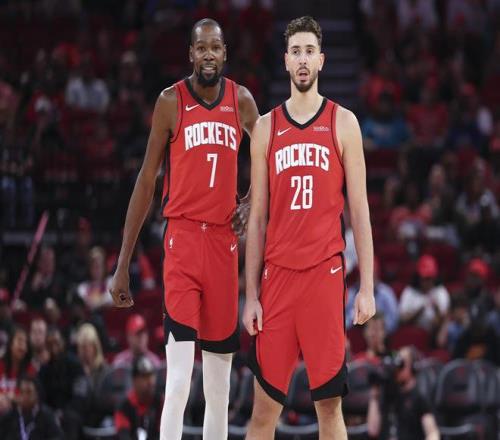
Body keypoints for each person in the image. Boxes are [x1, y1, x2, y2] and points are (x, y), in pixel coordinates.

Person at [109, 18, 259, 440]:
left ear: (225, 53)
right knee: (177, 382)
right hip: (183, 242)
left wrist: (250, 200)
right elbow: (146, 180)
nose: (209, 55)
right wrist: (122, 263)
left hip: (224, 247)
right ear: (191, 53)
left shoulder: (241, 100)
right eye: (201, 48)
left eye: (216, 47)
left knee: (218, 389)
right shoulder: (170, 101)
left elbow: (269, 151)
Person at [243, 16, 375, 440]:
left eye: (309, 52)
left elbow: (360, 210)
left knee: (329, 407)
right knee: (263, 410)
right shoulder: (265, 128)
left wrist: (367, 287)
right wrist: (250, 295)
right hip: (277, 279)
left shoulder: (344, 122)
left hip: (324, 277)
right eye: (295, 52)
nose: (302, 60)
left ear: (321, 60)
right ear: (285, 60)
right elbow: (257, 218)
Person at [367, 346, 440, 440]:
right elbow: (373, 430)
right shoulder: (388, 394)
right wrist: (374, 395)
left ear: (413, 367)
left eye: (402, 363)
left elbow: (433, 433)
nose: (397, 367)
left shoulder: (419, 397)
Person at [114, 355, 163, 440]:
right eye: (144, 376)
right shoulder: (124, 405)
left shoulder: (160, 401)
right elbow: (123, 435)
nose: (150, 381)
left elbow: (164, 433)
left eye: (151, 375)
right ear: (134, 380)